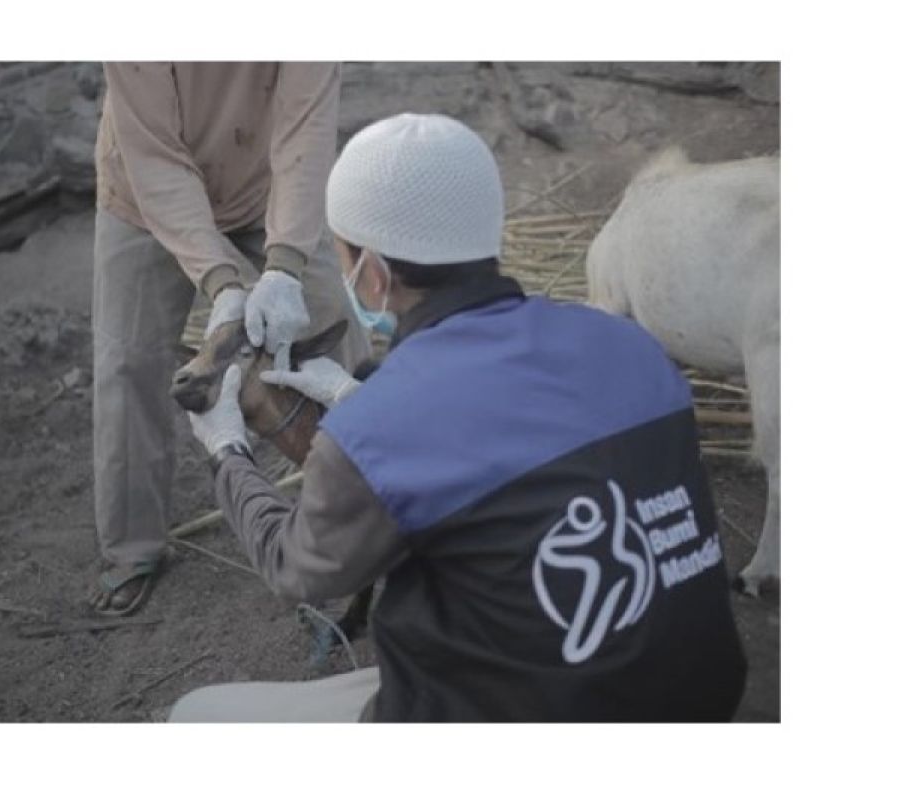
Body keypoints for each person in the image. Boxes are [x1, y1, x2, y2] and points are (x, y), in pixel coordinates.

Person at [173, 113, 747, 722]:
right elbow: (506, 429)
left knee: (196, 716)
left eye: (341, 255)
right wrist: (356, 401)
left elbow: (298, 567)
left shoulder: (384, 426)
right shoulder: (633, 346)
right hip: (700, 700)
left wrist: (227, 452)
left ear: (370, 273)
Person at [89, 63, 370, 616]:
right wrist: (221, 281)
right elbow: (156, 160)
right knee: (128, 365)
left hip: (270, 182)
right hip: (143, 202)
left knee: (335, 328)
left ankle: (372, 507)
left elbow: (305, 130)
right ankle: (133, 549)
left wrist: (285, 265)